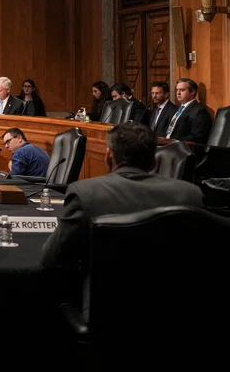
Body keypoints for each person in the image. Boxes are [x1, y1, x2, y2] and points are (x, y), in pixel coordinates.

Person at [42, 123, 204, 315]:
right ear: (153, 161)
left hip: (105, 315)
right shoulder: (191, 194)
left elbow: (51, 259)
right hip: (178, 311)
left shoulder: (86, 193)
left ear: (109, 155)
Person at [165, 78, 213, 144]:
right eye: (177, 90)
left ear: (192, 92)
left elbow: (197, 137)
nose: (178, 93)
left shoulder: (199, 111)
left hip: (183, 149)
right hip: (168, 145)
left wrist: (172, 141)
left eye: (182, 90)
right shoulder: (178, 109)